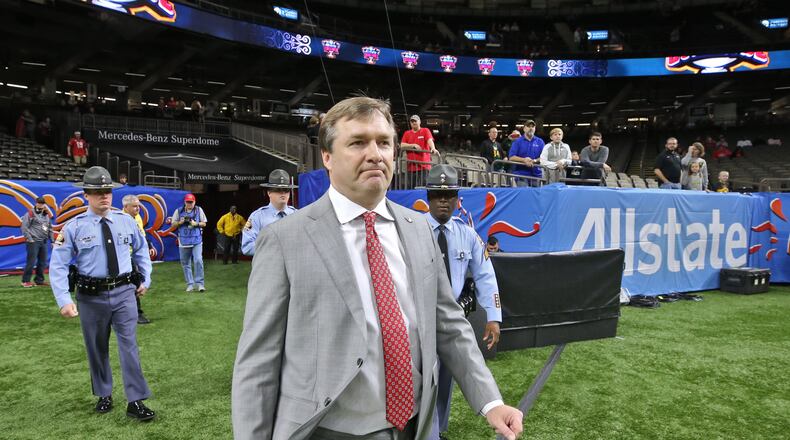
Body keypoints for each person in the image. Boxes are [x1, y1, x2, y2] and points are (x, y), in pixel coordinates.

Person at [232, 97, 523, 440]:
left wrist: (491, 401)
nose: (375, 154)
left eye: (384, 142)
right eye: (357, 142)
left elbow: (449, 325)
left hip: (417, 426)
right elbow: (258, 362)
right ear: (327, 156)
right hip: (327, 429)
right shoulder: (284, 239)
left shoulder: (418, 229)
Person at [49, 166, 155, 421]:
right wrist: (64, 299)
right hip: (91, 298)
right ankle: (104, 393)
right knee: (96, 348)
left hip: (124, 294)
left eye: (107, 191)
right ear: (86, 194)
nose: (104, 196)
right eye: (97, 192)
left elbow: (141, 250)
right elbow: (59, 265)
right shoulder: (74, 227)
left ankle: (136, 401)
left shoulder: (126, 220)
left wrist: (145, 279)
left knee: (129, 346)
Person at [423, 165, 503, 440]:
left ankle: (439, 430)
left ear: (457, 199)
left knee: (447, 377)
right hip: (420, 316)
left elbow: (486, 275)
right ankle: (425, 431)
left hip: (454, 317)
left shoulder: (468, 235)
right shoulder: (413, 230)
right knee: (422, 380)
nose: (443, 200)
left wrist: (493, 316)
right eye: (437, 194)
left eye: (449, 194)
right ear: (428, 197)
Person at [241, 169, 298, 256]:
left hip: (293, 267)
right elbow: (247, 247)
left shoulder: (297, 215)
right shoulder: (257, 217)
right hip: (268, 267)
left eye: (286, 189)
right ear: (269, 193)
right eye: (278, 189)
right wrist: (274, 248)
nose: (283, 193)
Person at [122, 194, 156, 324]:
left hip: (134, 256)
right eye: (134, 206)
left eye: (138, 206)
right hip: (125, 258)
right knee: (130, 285)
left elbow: (141, 233)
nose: (138, 209)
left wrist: (149, 244)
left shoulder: (137, 217)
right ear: (126, 207)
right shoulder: (119, 220)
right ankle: (135, 313)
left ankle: (135, 313)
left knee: (134, 283)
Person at [172, 194, 207, 292]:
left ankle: (200, 284)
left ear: (194, 202)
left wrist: (196, 224)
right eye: (188, 202)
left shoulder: (199, 210)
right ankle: (190, 284)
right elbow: (173, 224)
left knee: (198, 260)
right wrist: (180, 222)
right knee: (185, 263)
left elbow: (204, 223)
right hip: (183, 240)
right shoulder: (178, 211)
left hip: (196, 240)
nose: (189, 204)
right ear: (185, 202)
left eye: (191, 202)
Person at [20, 196, 53, 288]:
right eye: (39, 203)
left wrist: (52, 241)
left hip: (43, 241)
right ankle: (25, 281)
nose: (41, 204)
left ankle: (39, 280)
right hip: (33, 241)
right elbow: (24, 227)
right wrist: (30, 239)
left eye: (42, 203)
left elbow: (49, 228)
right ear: (36, 203)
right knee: (31, 261)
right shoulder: (30, 213)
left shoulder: (45, 214)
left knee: (42, 262)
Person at [400, 114, 439, 188]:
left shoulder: (425, 130)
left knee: (422, 188)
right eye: (412, 121)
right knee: (410, 188)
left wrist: (433, 148)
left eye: (415, 121)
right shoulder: (407, 133)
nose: (414, 123)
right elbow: (402, 145)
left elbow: (429, 140)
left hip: (424, 167)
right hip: (411, 167)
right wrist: (413, 145)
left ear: (420, 122)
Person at [508, 119, 544, 186]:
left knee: (537, 196)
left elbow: (544, 157)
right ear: (524, 129)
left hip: (536, 175)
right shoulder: (517, 141)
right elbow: (511, 157)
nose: (531, 128)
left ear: (535, 129)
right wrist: (524, 160)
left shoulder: (540, 141)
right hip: (521, 174)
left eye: (532, 127)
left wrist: (534, 161)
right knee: (523, 195)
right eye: (528, 126)